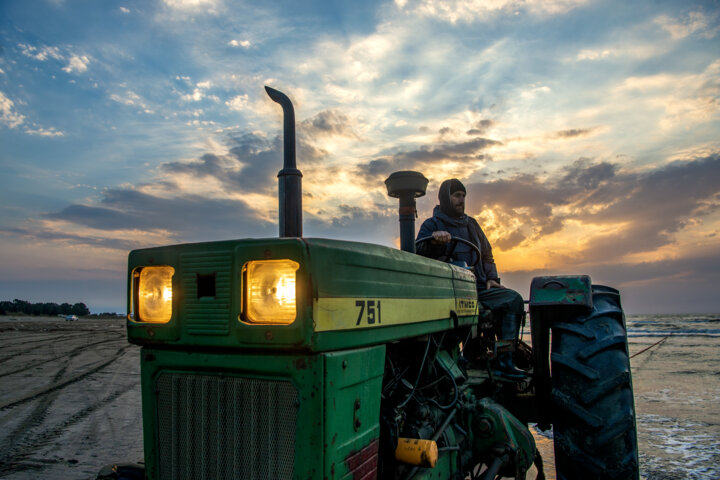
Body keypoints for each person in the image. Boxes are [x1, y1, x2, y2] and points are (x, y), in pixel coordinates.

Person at [416, 178, 526, 378]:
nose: (461, 200)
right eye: (457, 195)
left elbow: (487, 253)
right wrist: (435, 242)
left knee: (513, 300)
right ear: (445, 198)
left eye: (464, 196)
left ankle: (504, 361)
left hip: (478, 288)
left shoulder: (472, 225)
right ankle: (453, 361)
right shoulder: (432, 225)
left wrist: (492, 277)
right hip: (448, 292)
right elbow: (418, 253)